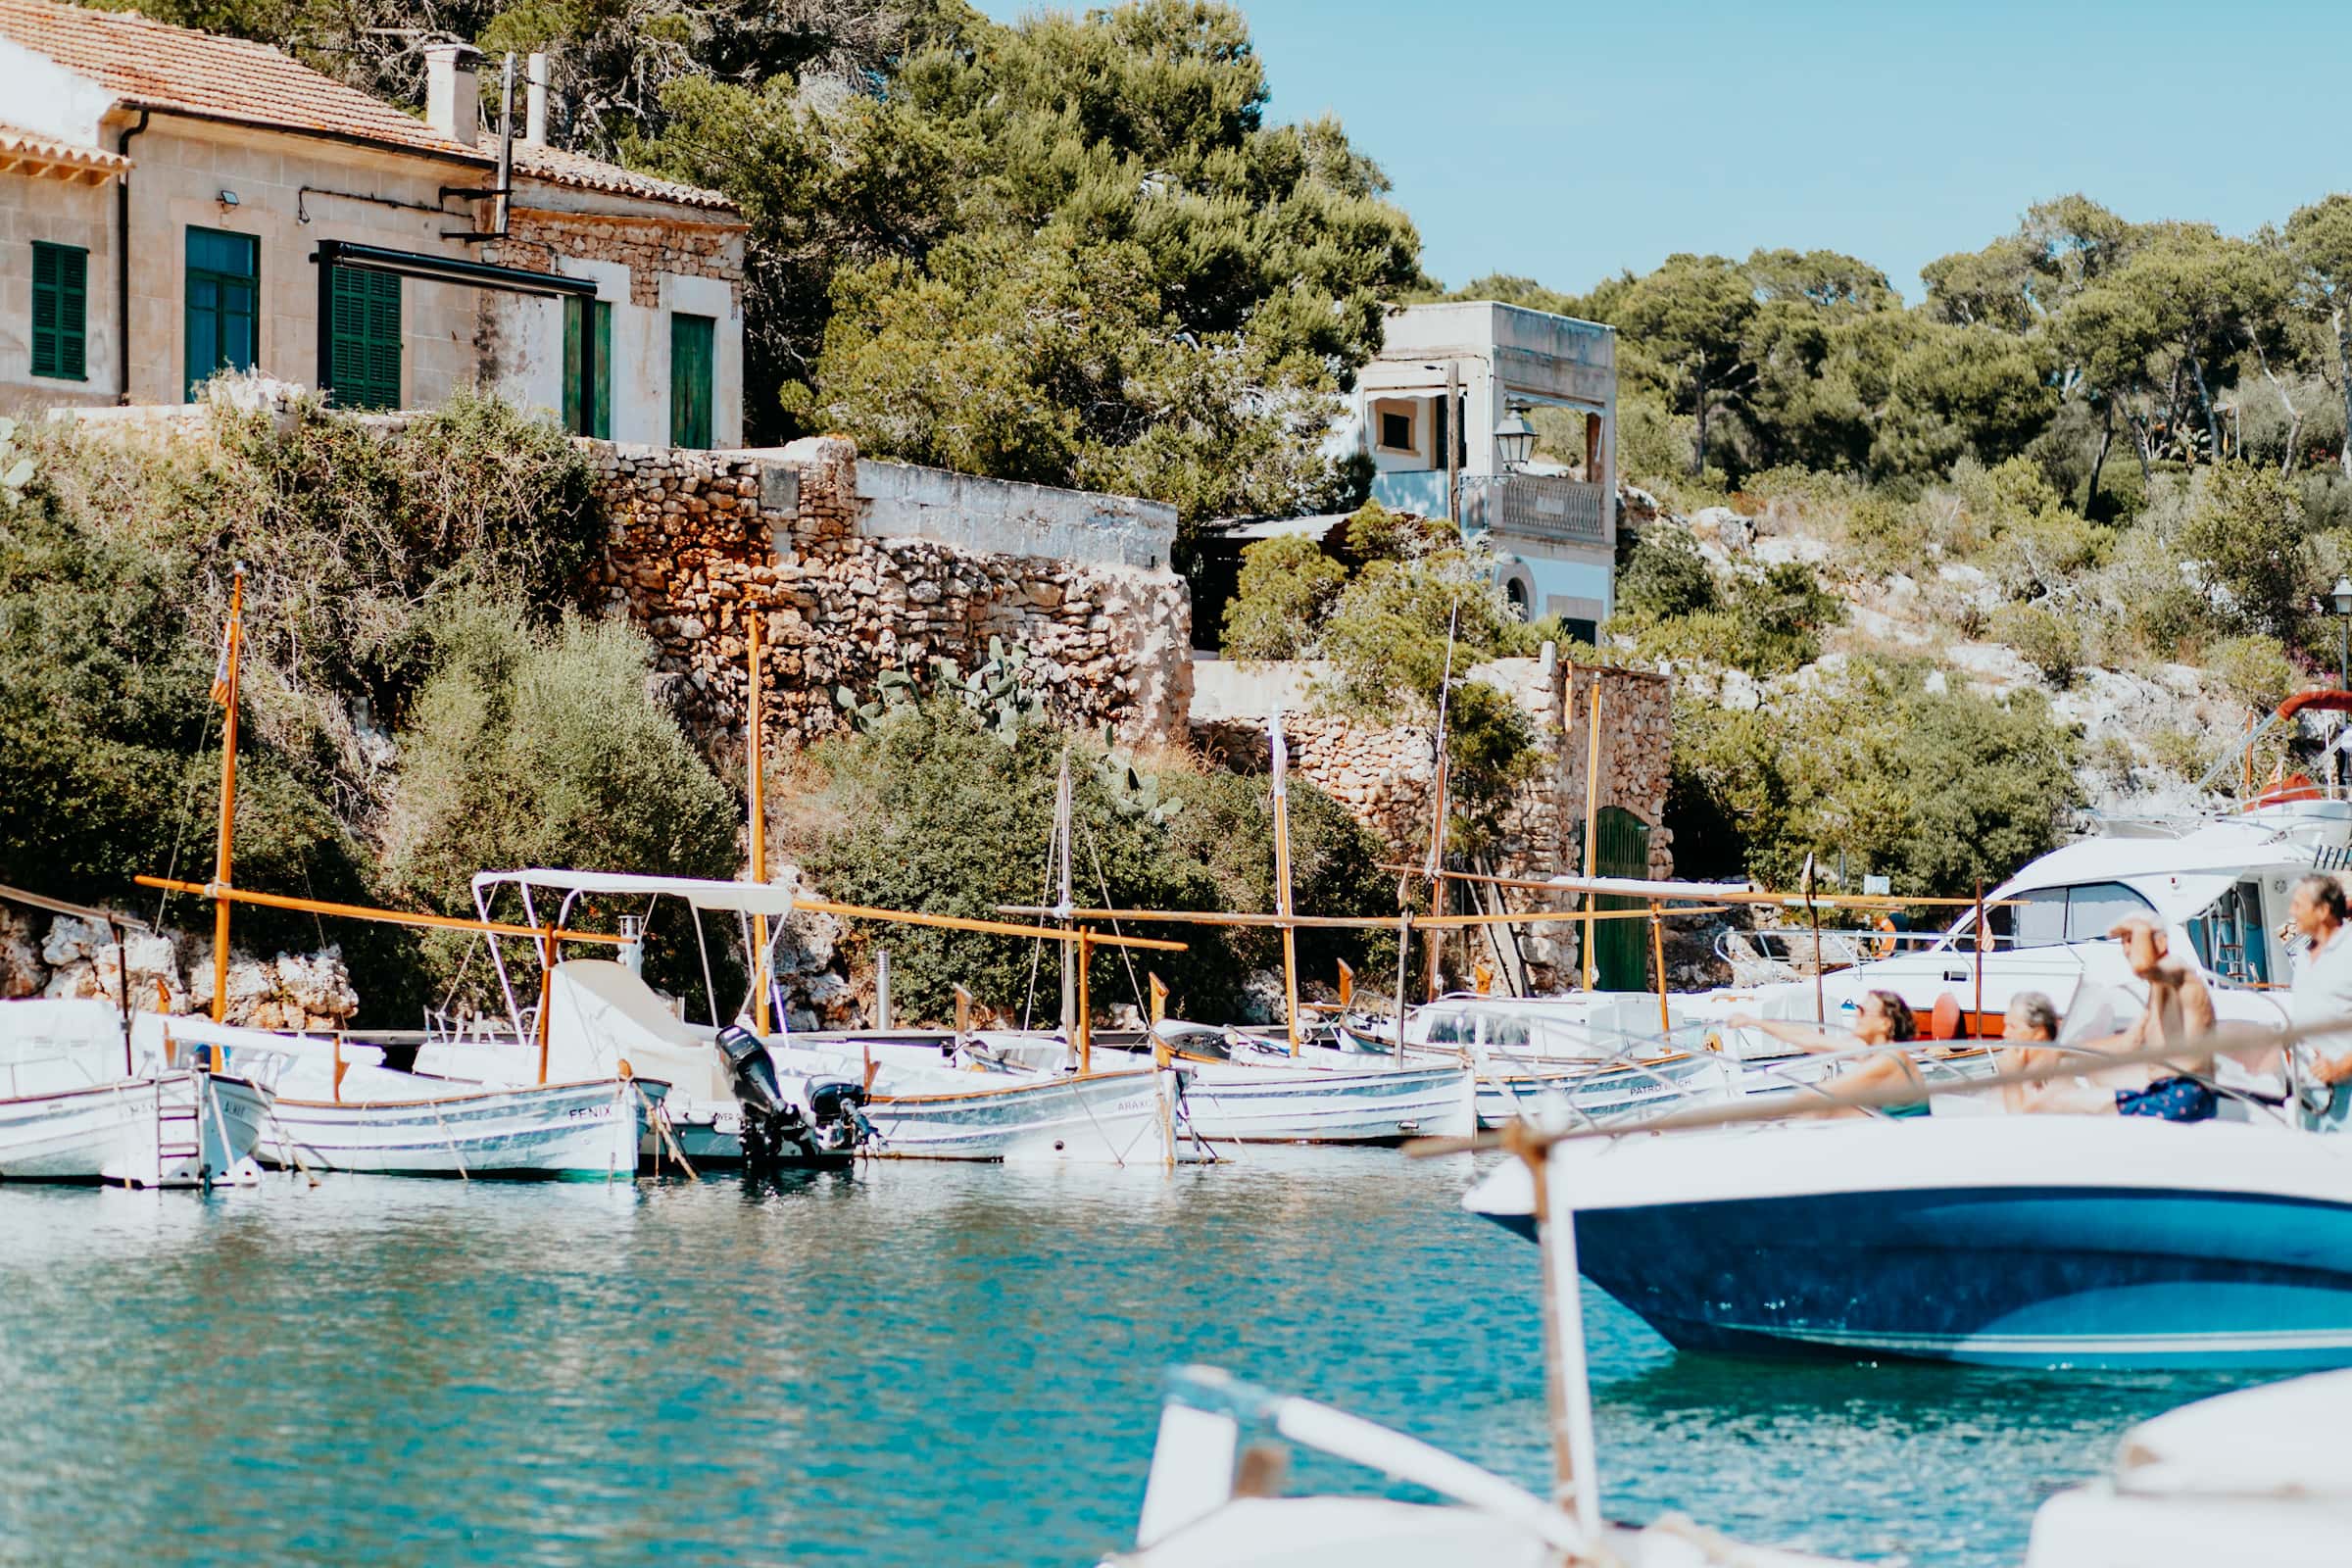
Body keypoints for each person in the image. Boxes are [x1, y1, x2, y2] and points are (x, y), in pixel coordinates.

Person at [1725, 990, 1926, 1111]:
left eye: (1863, 1011)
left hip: (1904, 1142)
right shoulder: (1871, 1051)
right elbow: (1809, 1039)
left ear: (1884, 1023)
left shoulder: (1888, 1060)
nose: (1856, 1015)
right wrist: (1754, 1022)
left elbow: (1824, 1092)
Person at [2286, 872, 2352, 1125]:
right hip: (2309, 1089)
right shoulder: (2304, 956)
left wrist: (2340, 1068)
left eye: (2299, 905)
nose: (2292, 912)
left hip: (2345, 1088)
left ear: (2323, 910)